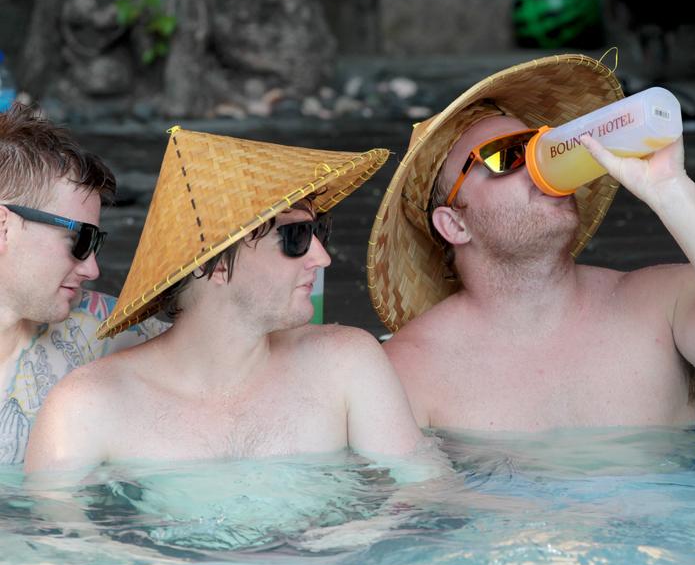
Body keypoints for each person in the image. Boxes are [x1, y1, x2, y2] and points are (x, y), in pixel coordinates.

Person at [366, 54, 695, 431]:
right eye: (506, 157)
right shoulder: (410, 369)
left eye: (542, 146)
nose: (538, 167)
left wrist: (672, 190)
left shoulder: (660, 306)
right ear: (454, 225)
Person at [25, 128, 429, 477]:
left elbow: (424, 508)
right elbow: (61, 555)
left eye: (319, 230)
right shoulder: (89, 408)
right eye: (297, 238)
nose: (322, 257)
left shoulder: (348, 365)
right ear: (217, 264)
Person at [0, 104, 163, 465]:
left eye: (96, 243)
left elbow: (218, 354)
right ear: (3, 226)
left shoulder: (99, 332)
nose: (92, 268)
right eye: (80, 240)